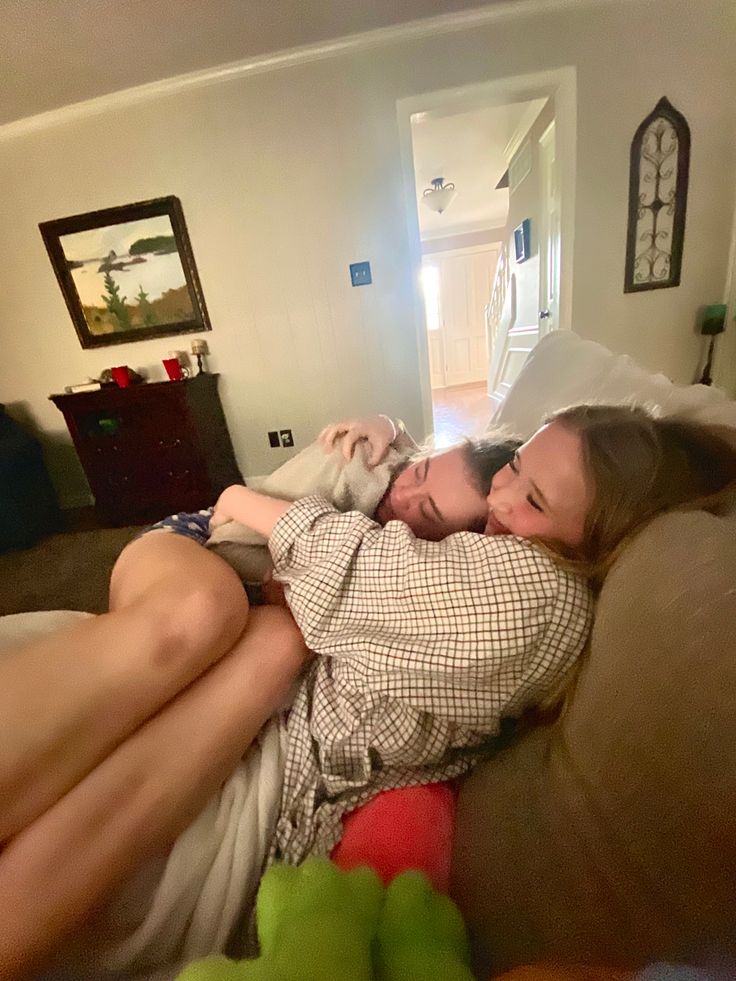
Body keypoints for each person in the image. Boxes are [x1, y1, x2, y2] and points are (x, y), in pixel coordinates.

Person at [2, 406, 736, 980]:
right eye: (514, 465)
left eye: (533, 498)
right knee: (235, 628)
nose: (503, 498)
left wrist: (245, 500)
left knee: (266, 640)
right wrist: (385, 432)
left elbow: (372, 565)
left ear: (595, 538)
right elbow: (416, 477)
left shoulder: (537, 596)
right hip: (204, 561)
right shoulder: (491, 538)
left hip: (255, 673)